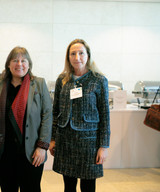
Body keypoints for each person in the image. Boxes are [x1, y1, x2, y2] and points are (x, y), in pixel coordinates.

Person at [0, 46, 52, 192]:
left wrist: (42, 146)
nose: (19, 64)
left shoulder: (38, 83)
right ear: (8, 64)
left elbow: (47, 115)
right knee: (7, 188)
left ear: (29, 64)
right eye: (15, 60)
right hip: (3, 150)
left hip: (31, 151)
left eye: (23, 60)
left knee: (31, 188)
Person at [49, 39, 110, 192]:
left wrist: (104, 146)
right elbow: (55, 111)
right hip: (65, 140)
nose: (77, 57)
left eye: (81, 53)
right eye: (73, 54)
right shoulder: (62, 80)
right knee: (68, 185)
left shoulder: (99, 80)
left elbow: (105, 115)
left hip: (89, 142)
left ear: (88, 56)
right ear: (68, 57)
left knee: (88, 186)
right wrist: (52, 138)